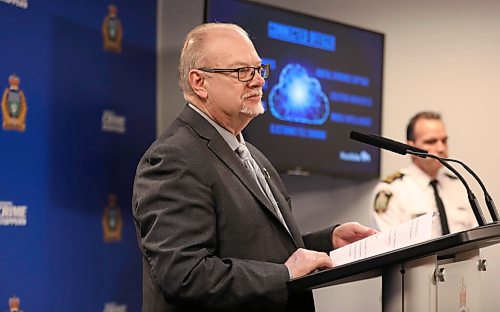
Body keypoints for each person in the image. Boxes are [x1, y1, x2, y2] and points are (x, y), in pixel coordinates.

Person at [132, 23, 377, 312]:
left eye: (259, 69)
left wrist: (328, 242)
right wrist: (284, 274)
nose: (258, 81)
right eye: (241, 72)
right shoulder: (173, 158)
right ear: (199, 83)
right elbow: (185, 274)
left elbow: (258, 249)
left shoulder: (251, 154)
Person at [370, 111, 477, 237]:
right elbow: (388, 247)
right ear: (411, 147)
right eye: (431, 142)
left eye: (444, 140)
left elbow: (475, 236)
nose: (441, 148)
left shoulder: (458, 185)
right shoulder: (392, 190)